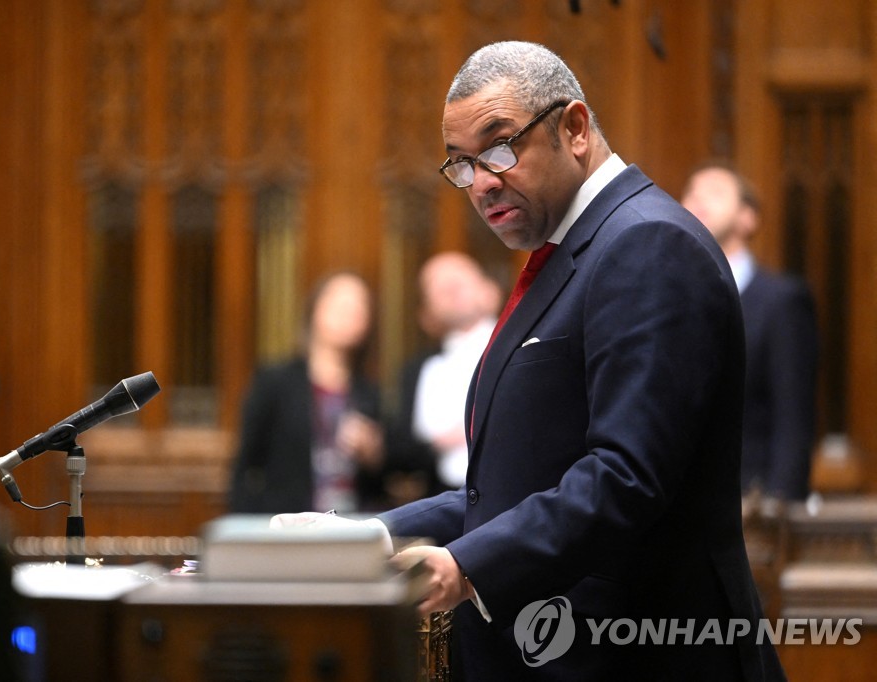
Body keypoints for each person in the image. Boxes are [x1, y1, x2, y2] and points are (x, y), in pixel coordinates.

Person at [275, 42, 784, 680]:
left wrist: (466, 566)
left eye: (499, 147)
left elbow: (627, 477)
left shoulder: (646, 244)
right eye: (461, 164)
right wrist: (373, 534)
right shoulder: (575, 251)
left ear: (573, 128)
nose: (482, 181)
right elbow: (517, 486)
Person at [681, 162, 819, 501]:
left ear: (748, 218)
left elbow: (793, 415)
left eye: (715, 191)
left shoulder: (781, 301)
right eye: (691, 192)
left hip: (751, 501)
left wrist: (780, 503)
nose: (698, 198)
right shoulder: (668, 296)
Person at [228, 271, 385, 515]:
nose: (352, 313)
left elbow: (381, 480)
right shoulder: (276, 382)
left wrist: (373, 453)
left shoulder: (369, 391)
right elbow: (246, 467)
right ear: (315, 310)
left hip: (352, 530)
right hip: (287, 531)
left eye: (361, 307)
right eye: (341, 304)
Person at [386, 252, 501, 499]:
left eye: (459, 282)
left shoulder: (524, 348)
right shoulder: (418, 371)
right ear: (426, 315)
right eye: (439, 288)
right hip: (444, 500)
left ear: (490, 292)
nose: (451, 290)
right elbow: (400, 450)